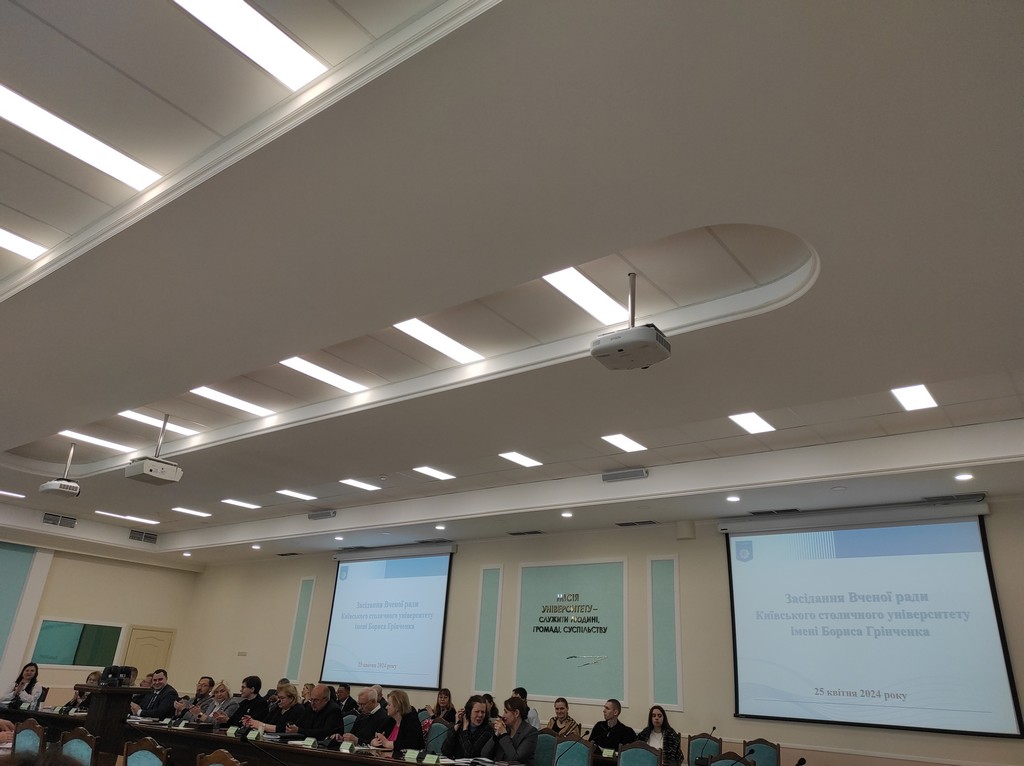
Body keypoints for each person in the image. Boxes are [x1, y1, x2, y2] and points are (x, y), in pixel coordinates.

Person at [482, 696, 538, 765]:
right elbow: (484, 754)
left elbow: (515, 759)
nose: (503, 716)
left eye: (506, 712)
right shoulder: (505, 728)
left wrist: (504, 734)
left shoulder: (530, 732)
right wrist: (496, 734)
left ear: (516, 713)